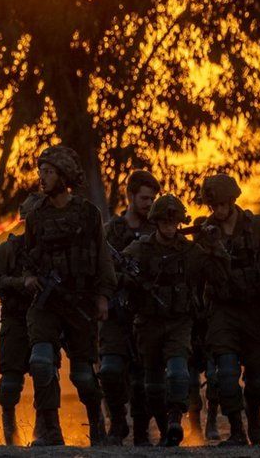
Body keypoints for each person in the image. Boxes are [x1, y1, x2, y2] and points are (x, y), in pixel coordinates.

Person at [22, 146, 116, 446]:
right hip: (47, 303)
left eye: (48, 172)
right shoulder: (36, 215)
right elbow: (26, 258)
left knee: (83, 375)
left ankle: (97, 423)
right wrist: (28, 278)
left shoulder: (88, 213)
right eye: (41, 172)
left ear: (63, 176)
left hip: (80, 300)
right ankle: (49, 429)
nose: (42, 178)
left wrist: (103, 296)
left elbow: (102, 258)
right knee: (40, 361)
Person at [121, 194, 227, 447]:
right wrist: (132, 281)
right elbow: (116, 272)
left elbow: (219, 277)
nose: (169, 227)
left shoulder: (190, 251)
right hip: (148, 323)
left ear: (180, 223)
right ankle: (165, 427)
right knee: (153, 385)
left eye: (174, 222)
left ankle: (175, 420)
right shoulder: (140, 248)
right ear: (156, 222)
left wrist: (215, 247)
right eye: (164, 222)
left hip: (180, 322)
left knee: (178, 372)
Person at [192, 174, 260, 446]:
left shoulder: (257, 227)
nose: (216, 211)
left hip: (252, 310)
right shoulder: (205, 231)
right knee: (226, 375)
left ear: (231, 201)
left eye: (220, 206)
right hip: (222, 311)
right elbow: (197, 275)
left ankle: (252, 412)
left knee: (258, 380)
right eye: (211, 206)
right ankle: (237, 430)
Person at [100, 170, 159, 445]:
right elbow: (99, 268)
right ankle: (118, 422)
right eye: (144, 198)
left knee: (143, 377)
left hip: (147, 314)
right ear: (130, 196)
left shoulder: (157, 230)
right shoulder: (111, 230)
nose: (149, 203)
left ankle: (141, 430)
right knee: (110, 369)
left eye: (152, 198)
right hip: (114, 313)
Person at [0, 194, 42, 445]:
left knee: (46, 374)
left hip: (46, 320)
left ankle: (44, 429)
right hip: (15, 320)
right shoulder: (8, 249)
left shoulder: (58, 251)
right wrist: (19, 283)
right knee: (10, 383)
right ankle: (9, 430)